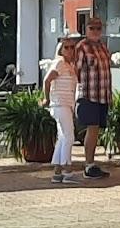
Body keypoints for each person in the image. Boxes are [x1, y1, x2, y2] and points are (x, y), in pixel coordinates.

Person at [74, 16, 112, 180]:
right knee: (92, 126)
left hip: (103, 95)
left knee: (96, 129)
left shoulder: (103, 47)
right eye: (92, 28)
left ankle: (92, 163)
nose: (95, 31)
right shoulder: (82, 47)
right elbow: (76, 71)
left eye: (98, 28)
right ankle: (88, 165)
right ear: (86, 29)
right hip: (88, 95)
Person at [42, 37, 79, 184]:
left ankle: (57, 171)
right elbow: (47, 80)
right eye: (66, 47)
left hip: (65, 104)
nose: (70, 50)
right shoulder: (60, 63)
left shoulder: (69, 66)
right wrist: (47, 98)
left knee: (63, 137)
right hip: (60, 104)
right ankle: (67, 169)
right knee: (69, 136)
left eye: (72, 47)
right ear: (60, 50)